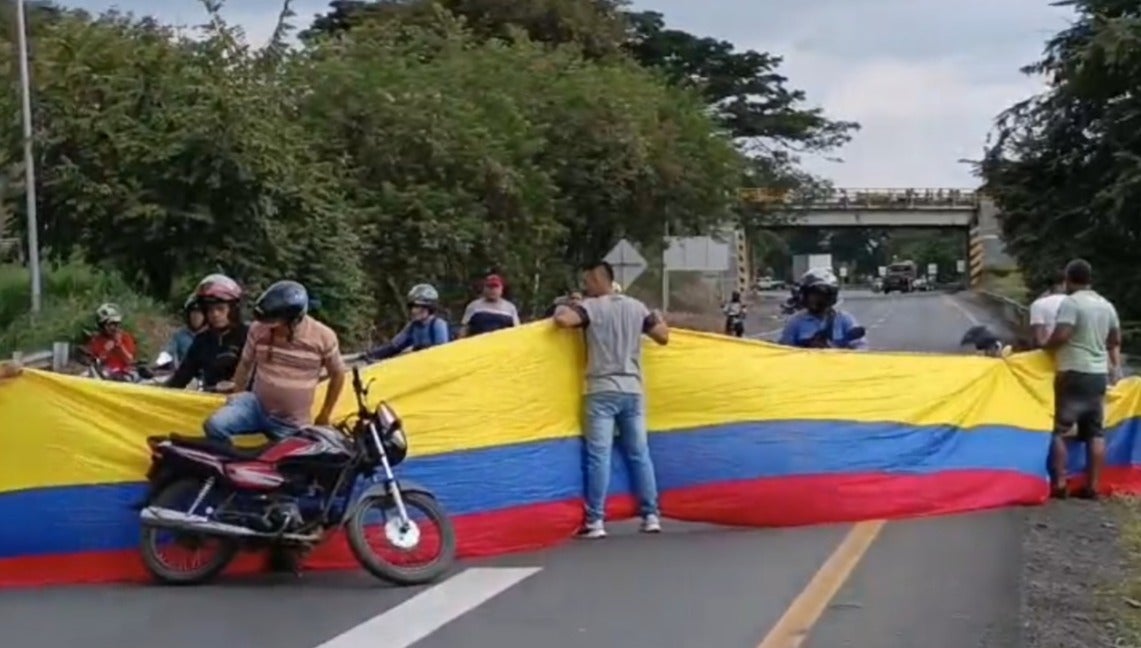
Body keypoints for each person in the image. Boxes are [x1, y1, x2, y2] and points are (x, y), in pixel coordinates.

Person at [553, 260, 669, 538]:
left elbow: (563, 321)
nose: (585, 287)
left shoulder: (590, 308)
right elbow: (663, 337)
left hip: (601, 390)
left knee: (599, 456)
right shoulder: (637, 307)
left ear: (597, 280)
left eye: (587, 281)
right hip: (633, 390)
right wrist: (659, 317)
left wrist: (564, 306)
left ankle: (596, 521)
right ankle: (651, 515)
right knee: (640, 454)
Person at [204, 279, 347, 444]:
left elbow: (338, 375)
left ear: (294, 320)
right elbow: (245, 363)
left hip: (292, 422)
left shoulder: (323, 337)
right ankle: (231, 460)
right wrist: (237, 394)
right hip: (256, 407)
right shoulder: (258, 329)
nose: (270, 328)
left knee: (293, 455)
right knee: (215, 426)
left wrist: (325, 414)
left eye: (276, 324)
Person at [1042, 259, 1122, 500]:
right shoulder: (1106, 305)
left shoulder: (1072, 303)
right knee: (1095, 432)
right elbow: (1114, 340)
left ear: (1068, 279)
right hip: (1098, 375)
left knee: (1058, 429)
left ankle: (1060, 482)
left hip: (1073, 371)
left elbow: (1063, 334)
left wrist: (1046, 346)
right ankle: (1093, 487)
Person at [166, 274, 249, 391]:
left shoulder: (249, 336)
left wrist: (236, 384)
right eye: (210, 309)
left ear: (233, 310)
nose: (215, 314)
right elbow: (181, 377)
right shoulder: (202, 340)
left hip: (243, 399)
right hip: (209, 397)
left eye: (220, 309)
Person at [778, 268, 868, 350]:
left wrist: (835, 349)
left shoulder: (844, 319)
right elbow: (784, 351)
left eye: (818, 295)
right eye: (811, 295)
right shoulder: (795, 322)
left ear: (830, 296)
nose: (813, 299)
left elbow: (861, 349)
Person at [365, 284, 452, 360]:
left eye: (417, 307)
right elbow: (394, 346)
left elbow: (442, 353)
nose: (413, 311)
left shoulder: (438, 325)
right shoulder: (413, 326)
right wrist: (370, 355)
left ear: (428, 308)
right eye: (412, 307)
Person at [85, 303, 138, 378]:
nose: (115, 327)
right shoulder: (97, 340)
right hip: (104, 373)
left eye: (117, 324)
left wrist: (119, 345)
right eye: (111, 324)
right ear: (102, 325)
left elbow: (130, 360)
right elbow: (95, 362)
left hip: (123, 374)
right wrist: (105, 351)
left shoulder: (125, 337)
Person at [162, 293, 206, 368]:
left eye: (200, 313)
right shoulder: (179, 335)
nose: (196, 316)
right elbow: (168, 353)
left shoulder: (213, 336)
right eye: (193, 312)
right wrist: (159, 364)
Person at [1030, 270, 1067, 348]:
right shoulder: (1074, 302)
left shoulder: (1037, 304)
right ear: (1064, 284)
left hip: (1049, 350)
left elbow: (1039, 338)